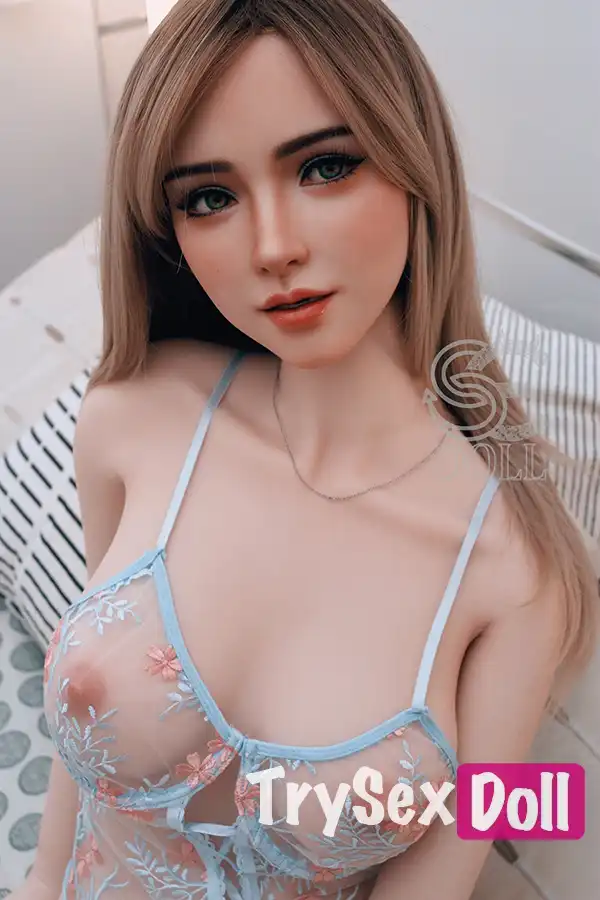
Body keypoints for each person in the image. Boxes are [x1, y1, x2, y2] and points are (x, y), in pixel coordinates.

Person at [16, 1, 598, 898]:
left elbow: (463, 858)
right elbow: (79, 760)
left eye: (326, 166)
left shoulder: (522, 576)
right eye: (209, 197)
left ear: (417, 165)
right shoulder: (131, 413)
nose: (274, 247)